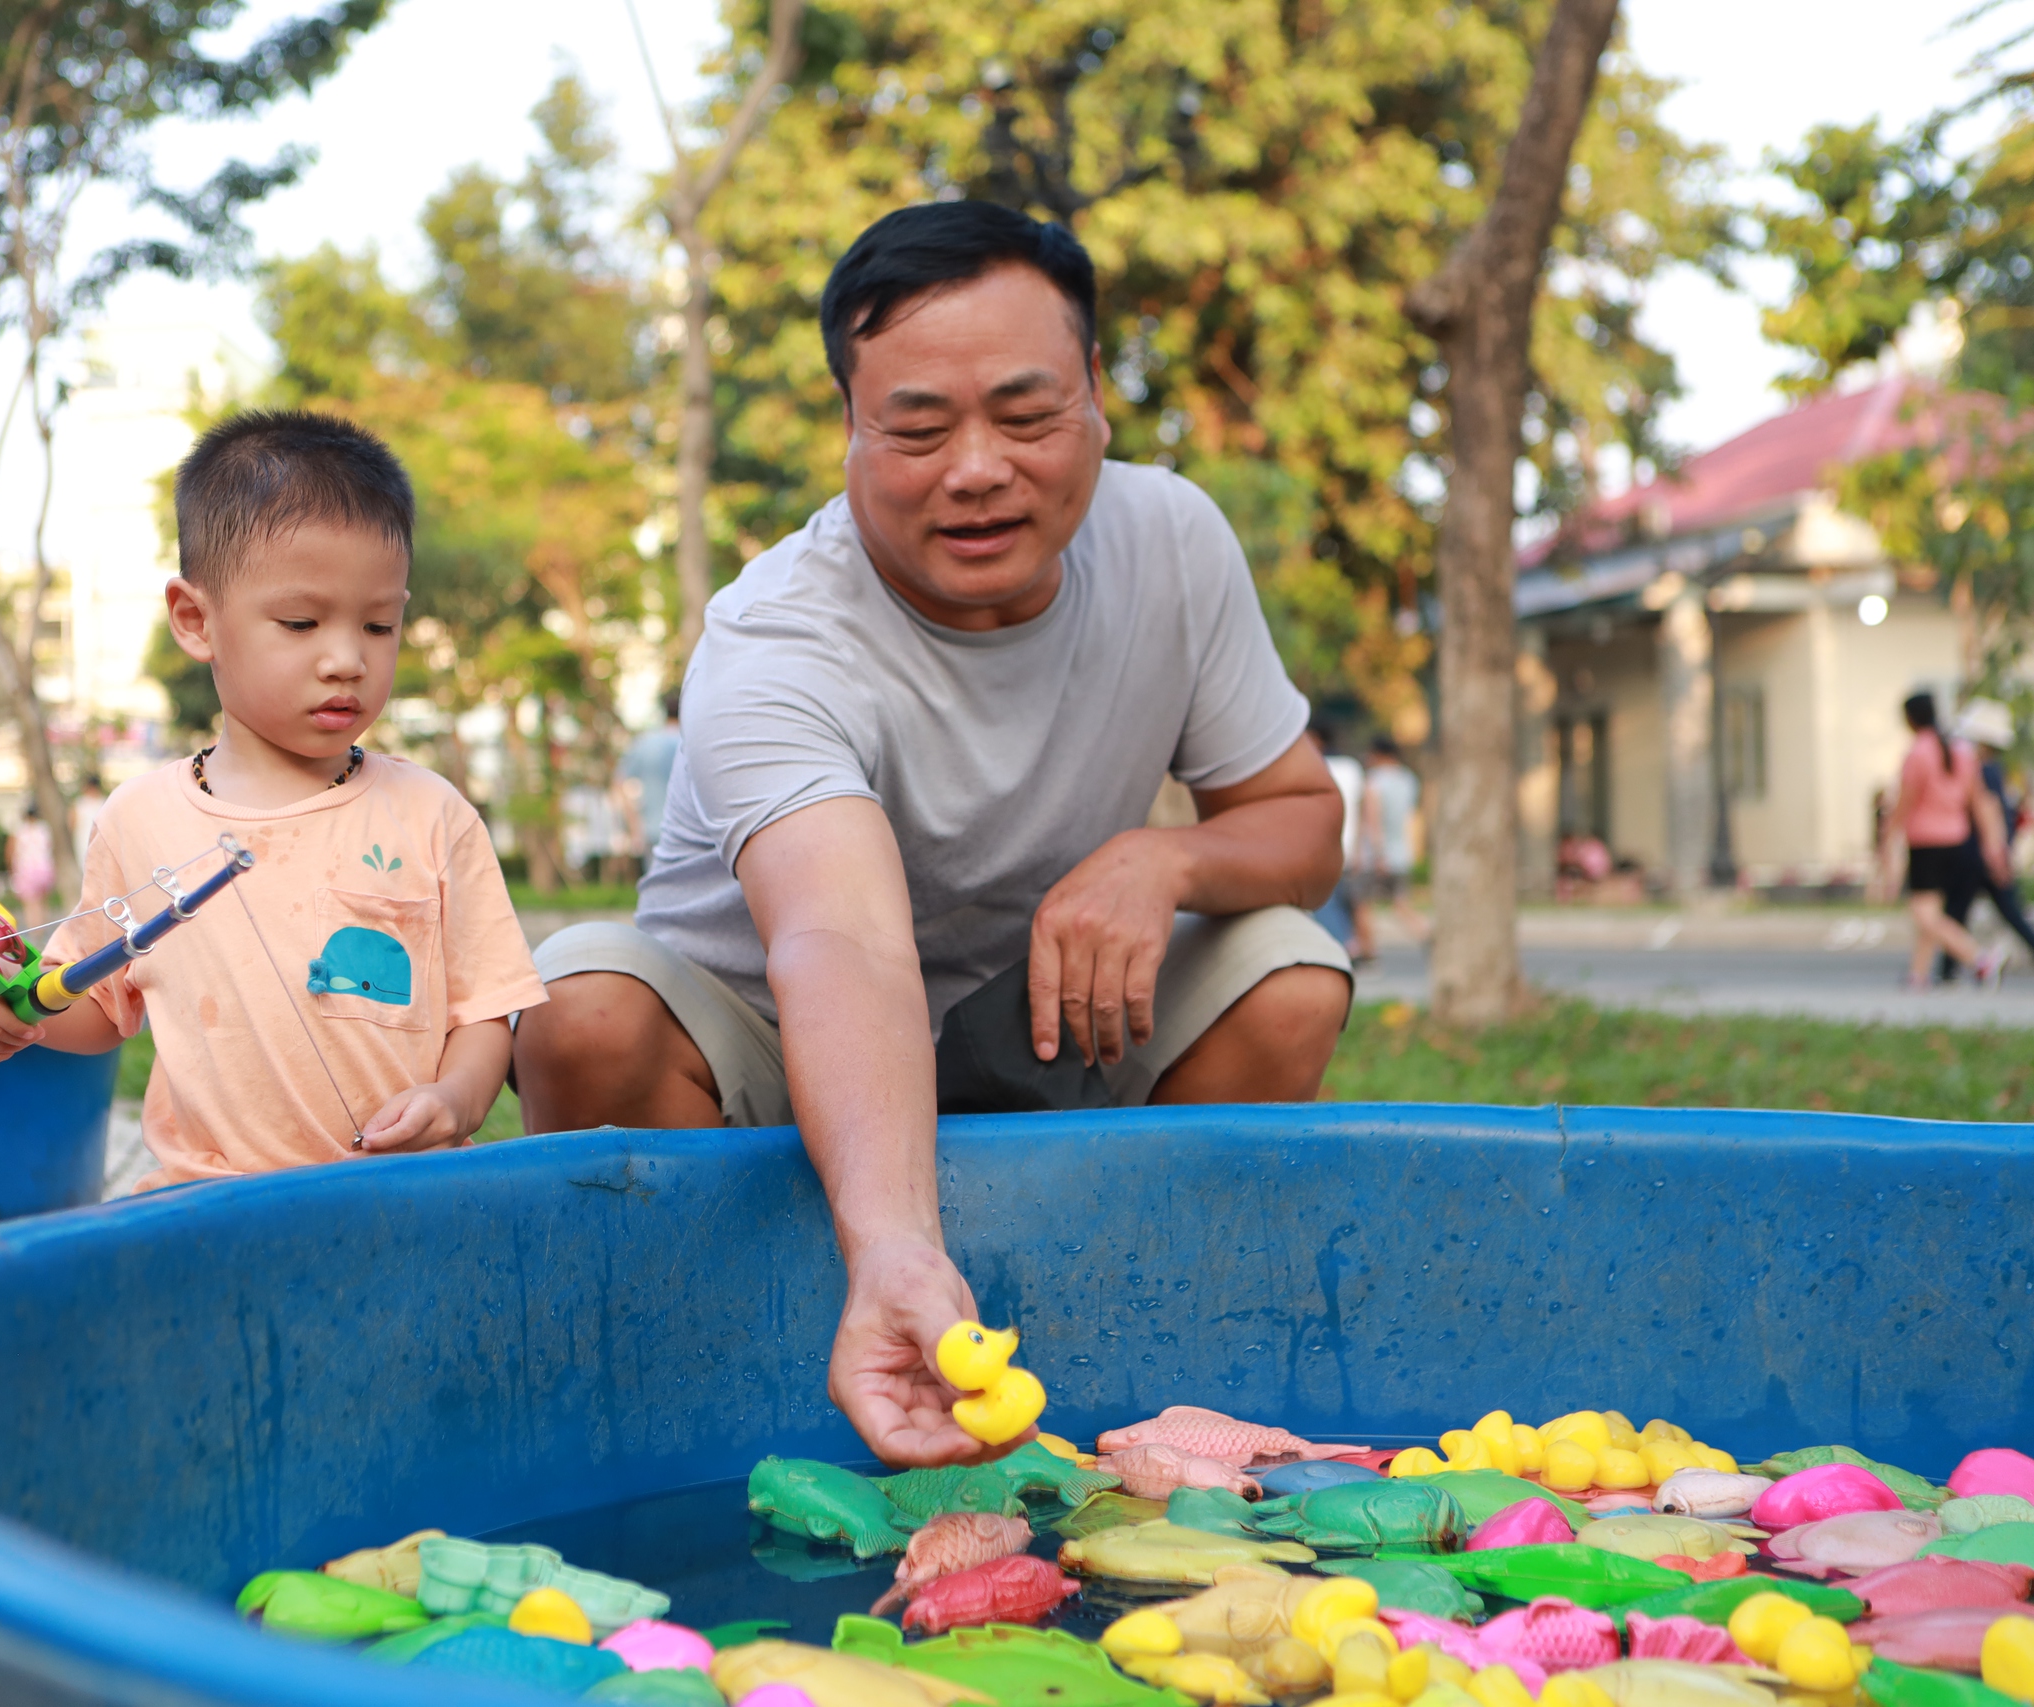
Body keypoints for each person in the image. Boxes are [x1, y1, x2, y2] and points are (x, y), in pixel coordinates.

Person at [512, 202, 1349, 1467]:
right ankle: (695, 1372)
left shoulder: (1172, 541)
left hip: (1044, 1015)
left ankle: (1135, 1358)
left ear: (1095, 401)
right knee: (583, 1009)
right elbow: (843, 936)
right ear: (849, 428)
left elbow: (1300, 820)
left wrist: (1163, 858)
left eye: (1024, 416)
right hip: (774, 1047)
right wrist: (895, 1238)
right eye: (915, 427)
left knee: (1286, 976)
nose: (975, 469)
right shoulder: (777, 639)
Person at [0, 410, 544, 1190]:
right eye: (301, 622)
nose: (346, 659)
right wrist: (11, 1004)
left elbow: (484, 1011)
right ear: (197, 621)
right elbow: (95, 1009)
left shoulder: (432, 815)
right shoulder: (139, 820)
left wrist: (456, 1098)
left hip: (406, 1204)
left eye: (380, 624)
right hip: (206, 1211)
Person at [1877, 691, 2006, 990]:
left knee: (1924, 914)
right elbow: (1978, 802)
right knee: (1931, 910)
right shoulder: (1960, 751)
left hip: (1927, 843)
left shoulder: (1919, 753)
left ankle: (1980, 959)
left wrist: (1888, 838)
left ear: (1910, 719)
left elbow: (1904, 802)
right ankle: (1917, 974)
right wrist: (1992, 845)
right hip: (1957, 840)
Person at [1939, 697, 2034, 978]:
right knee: (2001, 911)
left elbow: (1992, 816)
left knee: (1958, 911)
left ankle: (1948, 970)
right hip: (1985, 852)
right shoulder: (1993, 770)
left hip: (1978, 853)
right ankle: (1948, 969)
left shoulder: (1983, 772)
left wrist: (1996, 853)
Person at [1355, 736, 1424, 960]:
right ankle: (1427, 934)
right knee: (1401, 904)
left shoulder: (1374, 781)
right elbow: (1410, 817)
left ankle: (1368, 953)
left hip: (1377, 855)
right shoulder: (1409, 780)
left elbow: (1372, 820)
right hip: (1401, 852)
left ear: (1378, 754)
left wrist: (1377, 854)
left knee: (1362, 904)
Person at [616, 692, 685, 871]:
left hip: (653, 831)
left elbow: (619, 783)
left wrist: (634, 826)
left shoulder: (645, 743)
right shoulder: (692, 742)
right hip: (693, 832)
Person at [1314, 722, 1364, 957]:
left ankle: (1342, 946)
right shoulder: (1352, 767)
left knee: (1327, 902)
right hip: (1350, 844)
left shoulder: (1316, 766)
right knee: (1346, 901)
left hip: (1322, 845)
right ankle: (1350, 944)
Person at [9, 803, 56, 914]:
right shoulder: (44, 829)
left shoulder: (19, 830)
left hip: (25, 869)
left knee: (29, 904)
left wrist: (11, 868)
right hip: (44, 868)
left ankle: (34, 928)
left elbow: (11, 850)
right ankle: (43, 927)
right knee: (43, 902)